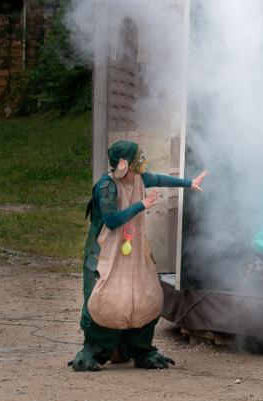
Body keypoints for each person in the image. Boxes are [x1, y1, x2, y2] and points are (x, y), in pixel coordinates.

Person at [69, 140, 208, 371]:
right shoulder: (107, 186)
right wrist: (142, 205)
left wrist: (189, 183)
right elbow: (112, 221)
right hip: (106, 251)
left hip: (133, 249)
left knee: (145, 296)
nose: (141, 162)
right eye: (135, 158)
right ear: (123, 164)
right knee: (103, 300)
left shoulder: (139, 177)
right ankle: (92, 351)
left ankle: (141, 350)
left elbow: (160, 179)